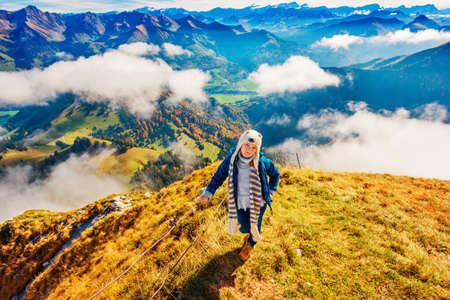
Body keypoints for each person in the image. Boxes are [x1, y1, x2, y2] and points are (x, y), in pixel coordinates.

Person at [197, 129, 280, 260]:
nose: (249, 149)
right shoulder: (231, 161)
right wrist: (208, 193)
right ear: (241, 143)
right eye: (247, 145)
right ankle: (251, 234)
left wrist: (271, 191)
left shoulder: (262, 162)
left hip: (259, 201)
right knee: (243, 225)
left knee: (255, 223)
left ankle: (251, 244)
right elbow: (218, 177)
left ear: (257, 149)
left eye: (253, 147)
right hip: (240, 201)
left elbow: (275, 174)